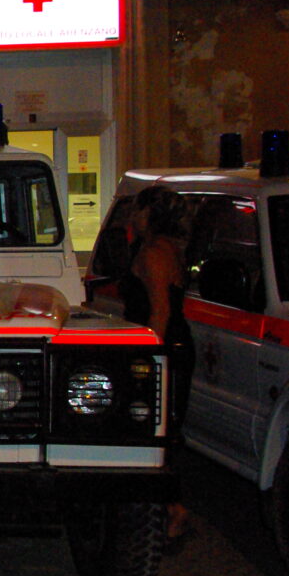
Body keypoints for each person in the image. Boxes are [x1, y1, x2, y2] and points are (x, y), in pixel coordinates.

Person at [120, 184, 194, 545]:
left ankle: (173, 509)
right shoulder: (168, 248)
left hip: (163, 347)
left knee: (157, 426)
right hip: (173, 346)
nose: (132, 215)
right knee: (163, 427)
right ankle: (167, 506)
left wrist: (149, 360)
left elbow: (160, 312)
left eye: (137, 209)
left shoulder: (153, 253)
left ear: (150, 213)